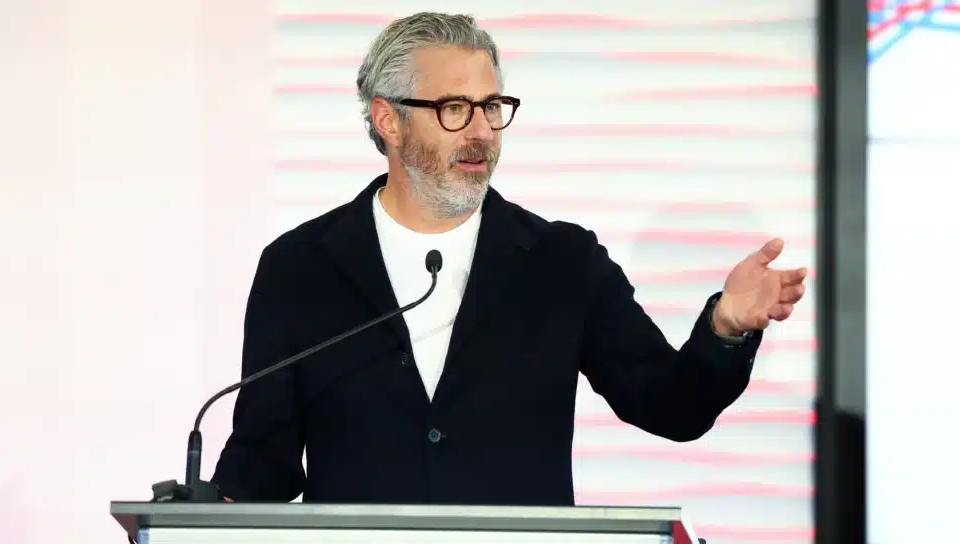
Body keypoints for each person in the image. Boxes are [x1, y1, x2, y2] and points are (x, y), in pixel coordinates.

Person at [210, 12, 807, 505]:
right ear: (388, 119)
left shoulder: (562, 262)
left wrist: (725, 329)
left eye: (492, 106)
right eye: (455, 108)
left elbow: (671, 405)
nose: (482, 132)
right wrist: (210, 512)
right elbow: (264, 455)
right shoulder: (299, 268)